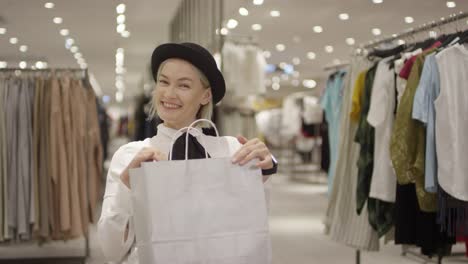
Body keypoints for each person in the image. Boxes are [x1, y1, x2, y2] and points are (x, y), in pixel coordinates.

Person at [97, 42, 278, 264]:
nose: (169, 94)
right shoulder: (130, 155)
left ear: (205, 96)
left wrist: (264, 171)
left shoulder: (231, 151)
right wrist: (127, 185)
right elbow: (111, 251)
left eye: (183, 86)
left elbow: (250, 230)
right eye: (163, 82)